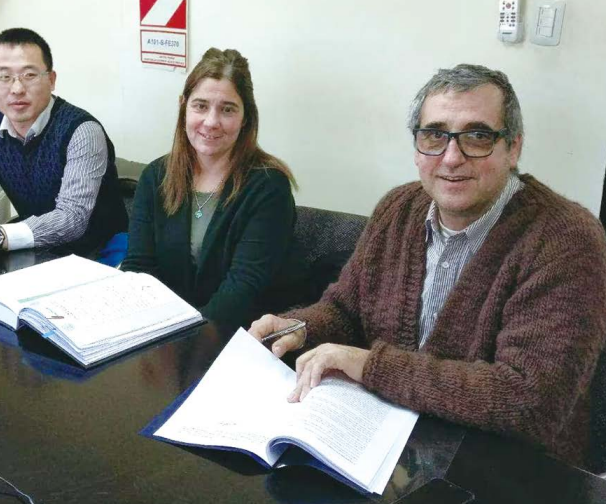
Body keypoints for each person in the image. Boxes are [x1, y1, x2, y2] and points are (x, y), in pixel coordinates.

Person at [249, 64, 606, 468]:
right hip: (388, 446)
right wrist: (300, 328)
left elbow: (529, 402)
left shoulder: (566, 239)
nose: (452, 158)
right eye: (435, 135)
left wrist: (371, 366)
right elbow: (346, 310)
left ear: (513, 148)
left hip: (506, 472)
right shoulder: (398, 208)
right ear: (417, 147)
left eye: (477, 136)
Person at [121, 48, 296, 326]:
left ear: (245, 117)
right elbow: (139, 269)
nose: (211, 122)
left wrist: (186, 339)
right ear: (184, 107)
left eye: (227, 109)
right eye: (200, 106)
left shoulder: (269, 186)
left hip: (240, 334)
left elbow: (242, 290)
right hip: (163, 329)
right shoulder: (155, 176)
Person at [0, 28, 128, 262]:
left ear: (51, 80)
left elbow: (72, 219)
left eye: (29, 75)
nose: (17, 89)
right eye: (4, 77)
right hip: (35, 249)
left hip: (98, 252)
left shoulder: (82, 131)